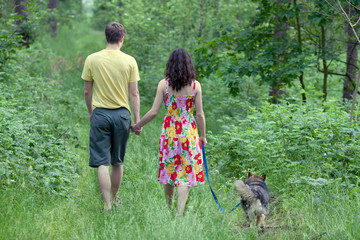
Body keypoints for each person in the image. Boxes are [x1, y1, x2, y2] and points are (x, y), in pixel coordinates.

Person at [131, 48, 206, 216]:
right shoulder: (195, 85)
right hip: (189, 133)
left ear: (170, 64)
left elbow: (153, 112)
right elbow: (200, 114)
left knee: (170, 169)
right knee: (185, 173)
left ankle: (168, 208)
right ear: (189, 65)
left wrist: (137, 125)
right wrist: (203, 136)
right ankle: (179, 214)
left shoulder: (163, 84)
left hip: (170, 133)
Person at [81, 22, 141, 212]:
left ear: (106, 37)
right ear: (122, 38)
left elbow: (86, 91)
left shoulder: (92, 59)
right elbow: (134, 94)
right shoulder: (130, 61)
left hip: (101, 114)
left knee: (102, 162)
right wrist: (137, 120)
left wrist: (91, 112)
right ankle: (115, 199)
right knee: (117, 161)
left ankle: (106, 204)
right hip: (122, 115)